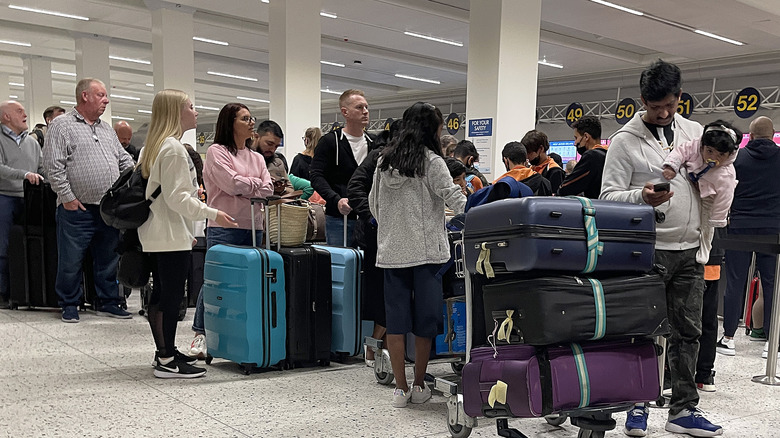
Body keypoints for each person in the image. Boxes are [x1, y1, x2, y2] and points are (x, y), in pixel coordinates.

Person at [599, 59, 721, 437]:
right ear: (642, 101)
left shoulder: (696, 133)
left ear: (679, 97)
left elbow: (713, 173)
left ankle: (683, 409)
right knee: (643, 331)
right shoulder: (624, 140)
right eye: (655, 108)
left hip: (689, 250)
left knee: (689, 332)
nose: (664, 113)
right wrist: (641, 197)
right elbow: (607, 196)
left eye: (670, 105)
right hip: (647, 252)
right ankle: (638, 407)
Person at [369, 102, 465, 408]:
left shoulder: (383, 162)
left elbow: (374, 204)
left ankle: (400, 388)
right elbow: (452, 196)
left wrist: (391, 230)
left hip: (392, 252)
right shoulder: (433, 162)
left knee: (396, 322)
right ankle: (421, 384)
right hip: (427, 255)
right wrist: (477, 213)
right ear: (431, 129)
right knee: (425, 322)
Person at [138, 90, 237, 378]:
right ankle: (167, 360)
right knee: (170, 298)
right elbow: (178, 198)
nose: (196, 111)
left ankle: (164, 351)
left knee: (161, 295)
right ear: (175, 112)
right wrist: (213, 213)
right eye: (191, 107)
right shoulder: (172, 149)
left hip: (158, 232)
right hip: (169, 235)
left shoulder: (153, 147)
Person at [43, 78, 135, 323]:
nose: (106, 100)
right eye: (101, 95)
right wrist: (68, 198)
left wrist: (138, 173)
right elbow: (53, 166)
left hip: (108, 209)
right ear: (85, 96)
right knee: (71, 261)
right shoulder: (61, 126)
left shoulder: (106, 129)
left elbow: (123, 161)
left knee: (108, 259)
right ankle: (69, 304)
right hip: (77, 209)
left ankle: (107, 301)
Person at [188, 103, 274, 360]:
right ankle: (200, 333)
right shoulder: (216, 152)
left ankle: (236, 332)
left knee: (246, 283)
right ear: (230, 122)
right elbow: (230, 183)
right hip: (223, 226)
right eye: (245, 118)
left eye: (252, 118)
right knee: (216, 281)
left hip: (253, 227)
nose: (251, 123)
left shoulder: (257, 157)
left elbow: (267, 189)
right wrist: (252, 185)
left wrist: (247, 185)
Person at [720, 116, 780, 360]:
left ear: (751, 136)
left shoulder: (738, 158)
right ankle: (771, 341)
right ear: (773, 134)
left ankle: (729, 338)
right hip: (773, 228)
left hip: (740, 228)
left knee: (735, 282)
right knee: (772, 286)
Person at [347, 119, 402, 367]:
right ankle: (374, 346)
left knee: (392, 295)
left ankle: (385, 349)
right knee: (384, 295)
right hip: (376, 238)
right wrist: (371, 217)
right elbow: (355, 185)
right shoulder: (380, 157)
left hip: (395, 237)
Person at [663, 120, 740, 264]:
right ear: (702, 145)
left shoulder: (726, 174)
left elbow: (725, 198)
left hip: (709, 197)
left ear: (729, 154)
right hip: (690, 189)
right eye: (709, 151)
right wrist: (671, 166)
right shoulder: (693, 147)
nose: (713, 158)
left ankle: (705, 250)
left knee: (706, 226)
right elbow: (679, 152)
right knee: (687, 217)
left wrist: (717, 218)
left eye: (721, 155)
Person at [310, 89, 375, 246]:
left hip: (370, 219)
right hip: (339, 219)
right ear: (345, 112)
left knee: (368, 268)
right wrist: (336, 200)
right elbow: (316, 176)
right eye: (359, 107)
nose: (365, 112)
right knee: (342, 265)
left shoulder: (375, 143)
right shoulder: (330, 142)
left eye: (366, 107)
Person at [0, 101, 44, 309]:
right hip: (5, 197)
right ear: (6, 117)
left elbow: (42, 167)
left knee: (29, 245)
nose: (25, 114)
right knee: (4, 246)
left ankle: (25, 293)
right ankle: (2, 293)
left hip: (30, 199)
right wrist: (24, 175)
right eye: (19, 111)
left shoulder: (32, 143)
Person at [254, 120, 313, 200]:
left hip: (272, 209)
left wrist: (281, 190)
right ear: (256, 137)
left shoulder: (278, 163)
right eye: (269, 144)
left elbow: (290, 189)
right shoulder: (243, 158)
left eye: (276, 146)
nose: (272, 149)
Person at [558, 115, 607, 198]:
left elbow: (566, 188)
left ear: (586, 137)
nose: (575, 143)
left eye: (576, 138)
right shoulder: (607, 154)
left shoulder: (592, 156)